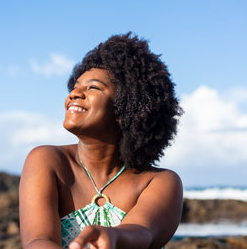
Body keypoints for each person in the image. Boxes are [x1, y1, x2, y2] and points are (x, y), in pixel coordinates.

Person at [19, 33, 183, 249]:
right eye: (75, 86)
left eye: (93, 87)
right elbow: (37, 241)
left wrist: (115, 237)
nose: (75, 93)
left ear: (124, 109)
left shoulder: (159, 182)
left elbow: (144, 231)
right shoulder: (47, 161)